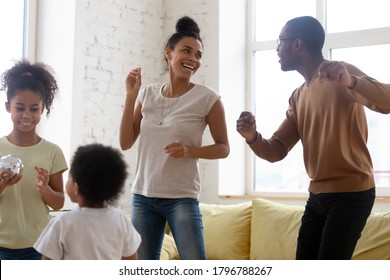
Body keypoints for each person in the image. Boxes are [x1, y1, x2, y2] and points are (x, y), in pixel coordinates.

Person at [236, 16, 390, 260]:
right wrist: (252, 137)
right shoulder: (298, 96)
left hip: (351, 194)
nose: (277, 48)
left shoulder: (341, 73)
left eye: (281, 41)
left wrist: (350, 81)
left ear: (298, 44)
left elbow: (386, 101)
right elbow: (276, 150)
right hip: (317, 196)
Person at [119, 16, 229, 260]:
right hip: (143, 197)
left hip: (182, 198)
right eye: (186, 51)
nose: (193, 59)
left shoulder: (208, 99)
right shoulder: (146, 94)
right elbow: (126, 141)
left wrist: (190, 151)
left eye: (198, 55)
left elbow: (223, 148)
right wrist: (130, 96)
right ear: (168, 53)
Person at [0, 60, 68, 260]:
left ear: (43, 108)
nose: (26, 115)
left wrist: (45, 190)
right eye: (20, 108)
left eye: (34, 109)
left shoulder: (52, 152)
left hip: (41, 246)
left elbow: (58, 203)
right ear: (8, 107)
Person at [34, 143, 141, 259]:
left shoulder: (62, 222)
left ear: (76, 187)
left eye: (70, 176)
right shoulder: (121, 221)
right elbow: (130, 259)